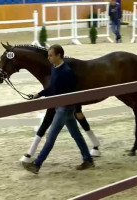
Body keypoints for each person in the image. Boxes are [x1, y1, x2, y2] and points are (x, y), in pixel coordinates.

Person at [21, 44, 94, 174]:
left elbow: (74, 91)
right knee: (76, 135)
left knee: (51, 137)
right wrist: (39, 94)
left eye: (51, 55)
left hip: (64, 109)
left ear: (59, 55)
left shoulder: (66, 72)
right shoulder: (55, 68)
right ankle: (88, 159)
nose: (48, 58)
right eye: (48, 55)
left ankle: (37, 164)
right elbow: (52, 88)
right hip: (62, 108)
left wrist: (78, 109)